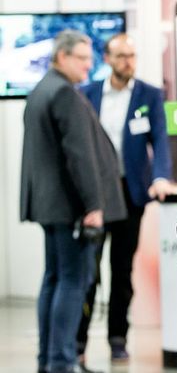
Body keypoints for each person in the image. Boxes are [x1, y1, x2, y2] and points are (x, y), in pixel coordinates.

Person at [21, 30, 126, 373]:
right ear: (61, 57)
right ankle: (62, 362)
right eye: (82, 58)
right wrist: (94, 205)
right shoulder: (65, 94)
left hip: (50, 206)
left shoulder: (41, 91)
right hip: (72, 209)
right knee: (72, 281)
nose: (88, 64)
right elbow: (79, 157)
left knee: (54, 278)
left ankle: (49, 360)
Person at [76, 33, 173, 362]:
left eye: (132, 55)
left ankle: (118, 338)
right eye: (121, 56)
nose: (127, 62)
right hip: (94, 196)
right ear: (107, 58)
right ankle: (78, 343)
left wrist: (160, 176)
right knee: (88, 272)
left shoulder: (149, 94)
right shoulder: (87, 94)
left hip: (130, 195)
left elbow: (160, 139)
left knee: (121, 270)